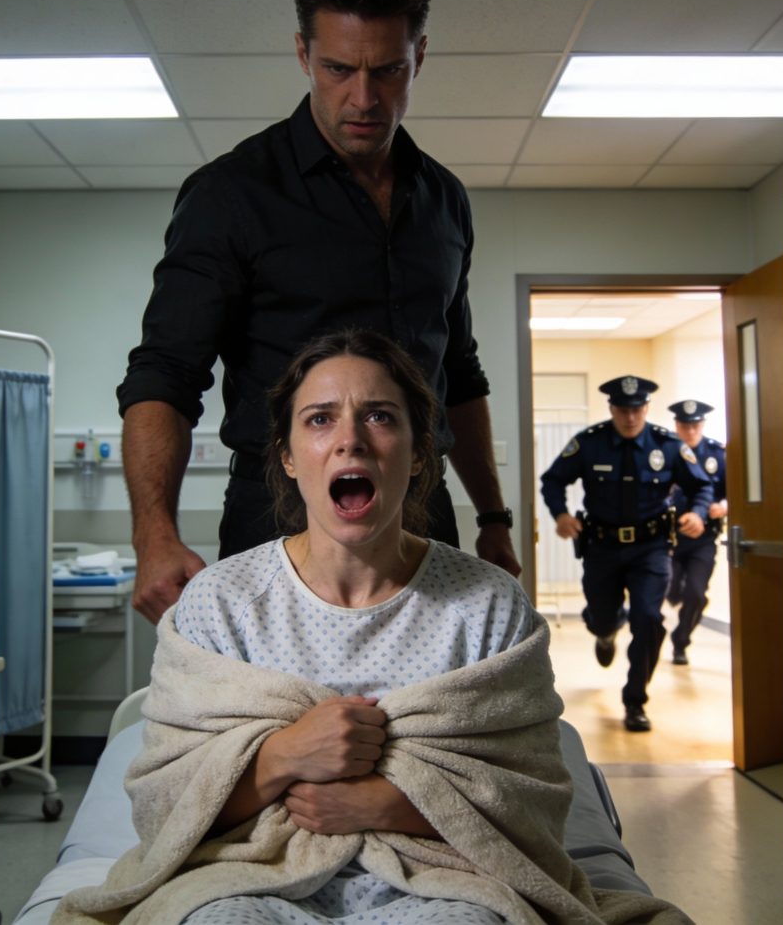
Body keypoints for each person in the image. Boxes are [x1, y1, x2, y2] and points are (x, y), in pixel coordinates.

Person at [56, 331, 689, 924]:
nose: (350, 440)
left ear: (418, 455)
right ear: (289, 457)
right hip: (245, 878)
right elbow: (164, 803)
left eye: (380, 416)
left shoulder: (488, 607)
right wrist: (280, 757)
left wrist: (395, 804)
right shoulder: (221, 604)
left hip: (448, 881)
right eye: (319, 419)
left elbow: (534, 799)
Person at [116, 0, 518, 625]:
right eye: (338, 69)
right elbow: (165, 373)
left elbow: (459, 371)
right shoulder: (231, 194)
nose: (363, 97)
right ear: (303, 54)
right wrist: (153, 536)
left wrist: (493, 518)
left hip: (422, 510)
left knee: (439, 692)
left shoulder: (444, 200)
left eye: (388, 70)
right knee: (280, 697)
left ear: (419, 56)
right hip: (279, 513)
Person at [539, 376, 713, 733]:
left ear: (646, 408)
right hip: (602, 548)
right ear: (612, 408)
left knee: (649, 619)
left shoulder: (668, 445)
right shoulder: (590, 443)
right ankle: (606, 631)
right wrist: (561, 515)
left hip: (652, 549)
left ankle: (635, 701)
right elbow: (552, 480)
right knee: (602, 616)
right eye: (622, 410)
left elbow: (701, 486)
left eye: (636, 410)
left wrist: (698, 512)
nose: (630, 417)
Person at [664, 400, 727, 666]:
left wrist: (724, 507)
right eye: (685, 426)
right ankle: (673, 592)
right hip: (670, 538)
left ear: (702, 425)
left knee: (696, 594)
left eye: (695, 426)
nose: (690, 431)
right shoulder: (665, 452)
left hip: (703, 539)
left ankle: (681, 641)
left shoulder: (717, 455)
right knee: (669, 590)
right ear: (677, 426)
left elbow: (733, 491)